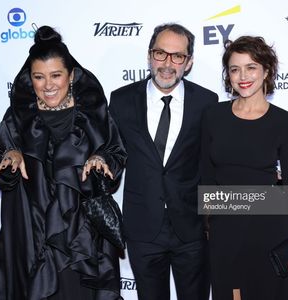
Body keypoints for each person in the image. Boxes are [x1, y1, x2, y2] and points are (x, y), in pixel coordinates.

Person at [0, 25, 127, 300]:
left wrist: (100, 158)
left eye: (56, 75)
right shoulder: (17, 118)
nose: (48, 85)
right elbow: (0, 164)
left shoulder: (94, 115)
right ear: (30, 79)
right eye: (39, 77)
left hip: (81, 238)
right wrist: (10, 156)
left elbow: (115, 156)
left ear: (71, 75)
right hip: (33, 233)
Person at [109, 23, 218, 300]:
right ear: (149, 55)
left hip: (192, 228)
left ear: (189, 62)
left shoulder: (207, 103)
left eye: (177, 56)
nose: (168, 64)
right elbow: (108, 151)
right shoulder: (121, 100)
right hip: (142, 227)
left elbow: (212, 163)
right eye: (160, 53)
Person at [200, 35, 288, 300]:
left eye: (251, 67)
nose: (243, 75)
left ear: (267, 71)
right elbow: (205, 176)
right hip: (225, 229)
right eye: (234, 68)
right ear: (227, 75)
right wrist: (209, 226)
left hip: (269, 229)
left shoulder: (283, 121)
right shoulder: (213, 116)